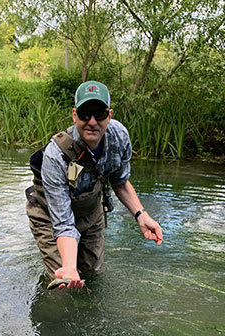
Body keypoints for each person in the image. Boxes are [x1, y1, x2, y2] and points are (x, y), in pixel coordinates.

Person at [25, 80, 163, 290]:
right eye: (84, 114)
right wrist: (70, 266)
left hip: (91, 212)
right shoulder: (56, 156)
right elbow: (62, 222)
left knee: (93, 276)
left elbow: (120, 181)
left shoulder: (119, 137)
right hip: (50, 217)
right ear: (74, 115)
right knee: (64, 284)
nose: (92, 122)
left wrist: (141, 215)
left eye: (99, 113)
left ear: (109, 115)